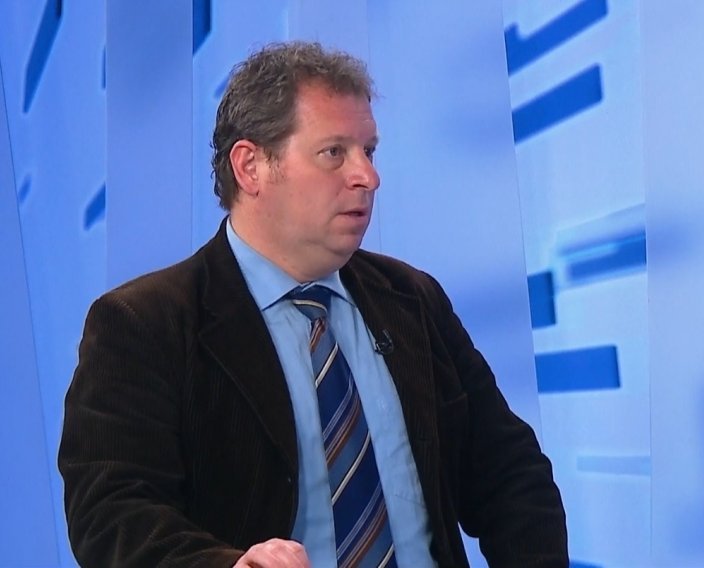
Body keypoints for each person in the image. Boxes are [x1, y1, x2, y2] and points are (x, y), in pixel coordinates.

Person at [58, 41, 568, 567]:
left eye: (369, 151)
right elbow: (111, 512)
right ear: (251, 166)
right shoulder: (144, 325)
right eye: (334, 153)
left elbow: (511, 475)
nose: (367, 177)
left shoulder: (412, 299)